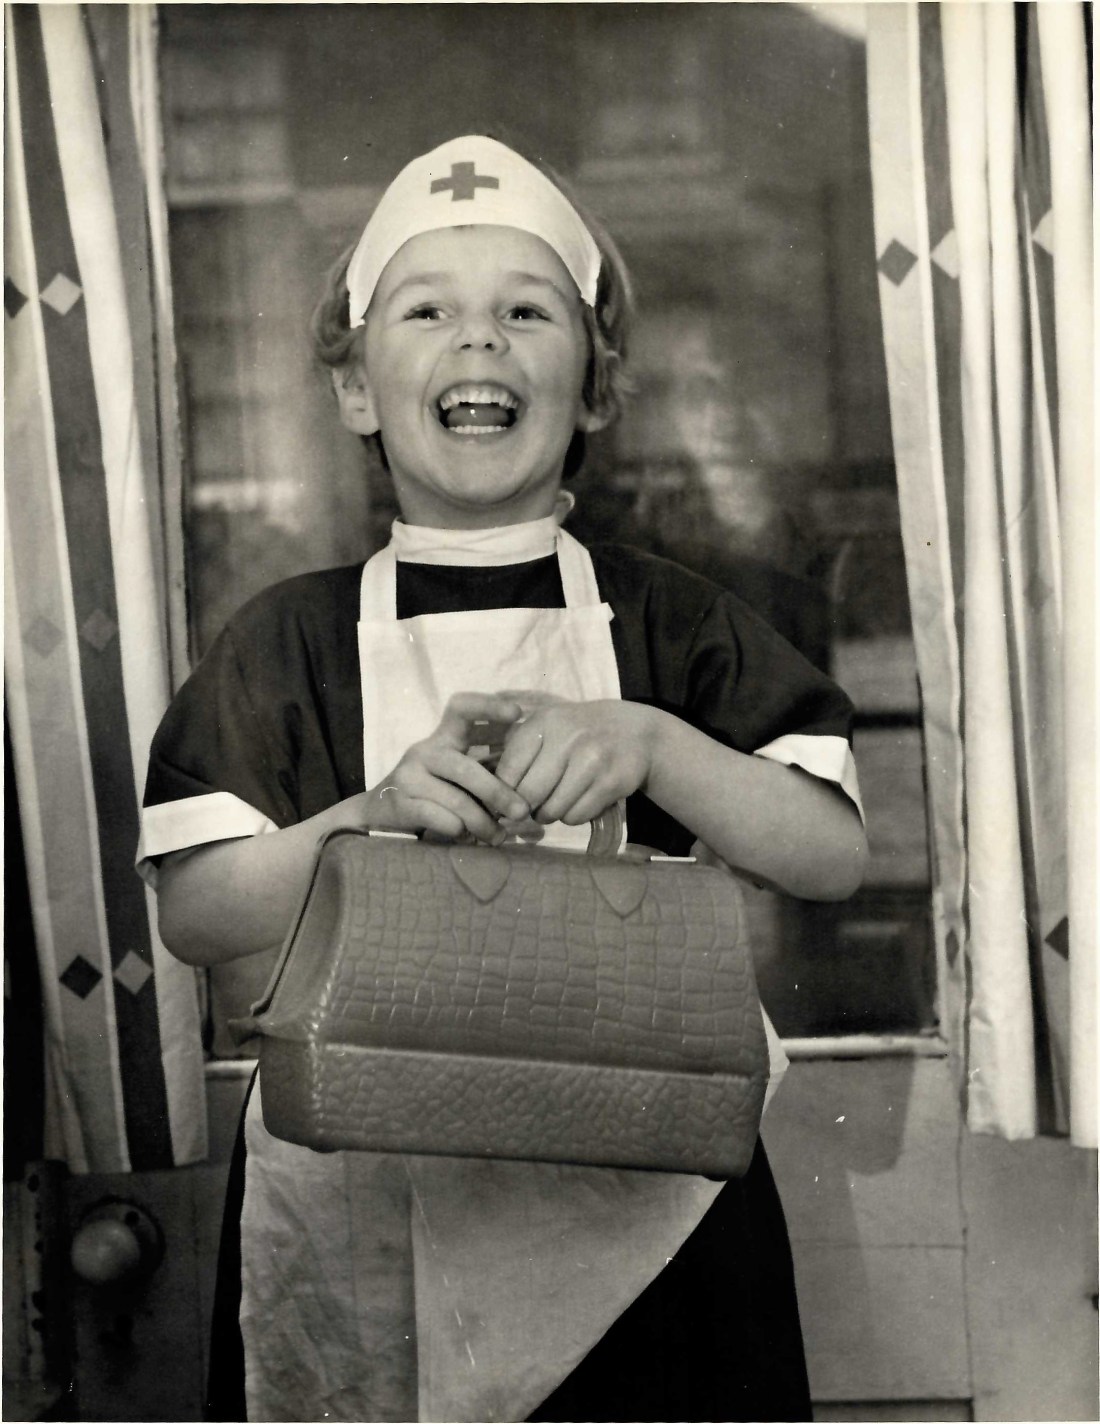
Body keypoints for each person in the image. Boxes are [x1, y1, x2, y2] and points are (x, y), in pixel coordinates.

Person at [138, 134, 868, 1423]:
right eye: (429, 311)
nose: (479, 342)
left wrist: (653, 745)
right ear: (358, 389)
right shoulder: (288, 641)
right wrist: (362, 819)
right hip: (360, 1201)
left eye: (526, 311)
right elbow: (196, 916)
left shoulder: (673, 623)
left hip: (652, 1234)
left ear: (593, 389)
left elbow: (827, 852)